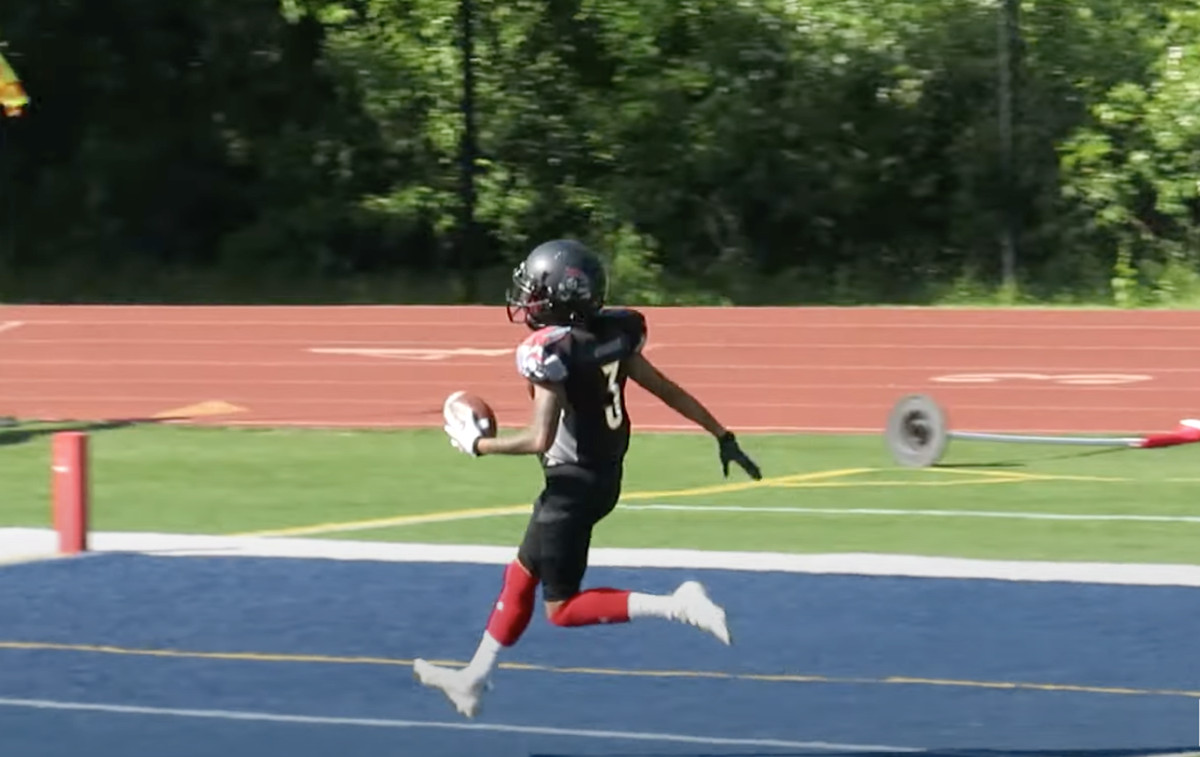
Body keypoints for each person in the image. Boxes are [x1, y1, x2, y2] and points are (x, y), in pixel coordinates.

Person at [415, 239, 762, 718]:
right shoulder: (612, 333)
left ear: (561, 297)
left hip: (571, 488)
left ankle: (677, 604)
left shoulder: (551, 351)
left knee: (561, 609)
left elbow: (540, 437)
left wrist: (480, 445)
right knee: (519, 575)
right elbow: (664, 388)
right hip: (604, 477)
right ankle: (472, 679)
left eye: (537, 291)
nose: (528, 300)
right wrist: (721, 433)